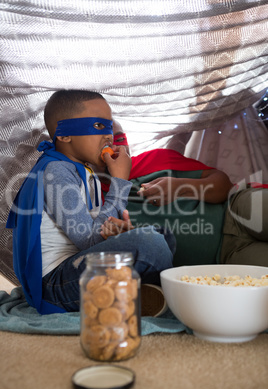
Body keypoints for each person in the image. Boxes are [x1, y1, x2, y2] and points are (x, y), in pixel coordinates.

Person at [6, 90, 175, 315]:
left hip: (78, 268)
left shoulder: (86, 172)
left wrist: (117, 233)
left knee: (163, 236)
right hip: (56, 286)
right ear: (64, 134)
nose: (109, 135)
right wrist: (119, 181)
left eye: (109, 126)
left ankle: (135, 296)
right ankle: (148, 297)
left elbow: (98, 231)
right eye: (98, 127)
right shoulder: (56, 170)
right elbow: (89, 240)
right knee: (150, 244)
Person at [100, 120, 268, 270]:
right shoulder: (98, 202)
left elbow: (224, 185)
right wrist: (130, 241)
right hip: (225, 258)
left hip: (236, 209)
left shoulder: (155, 159)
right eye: (104, 142)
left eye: (119, 138)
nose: (114, 147)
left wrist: (181, 187)